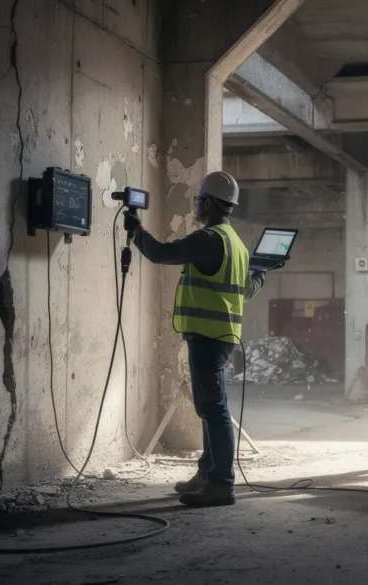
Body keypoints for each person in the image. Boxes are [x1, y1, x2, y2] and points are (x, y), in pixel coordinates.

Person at [125, 171, 269, 507]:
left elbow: (160, 254)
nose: (196, 207)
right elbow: (246, 290)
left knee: (213, 407)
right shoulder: (237, 244)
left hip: (208, 336)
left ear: (208, 202)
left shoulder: (209, 240)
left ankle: (221, 483)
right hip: (221, 336)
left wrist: (136, 231)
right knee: (208, 406)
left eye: (197, 200)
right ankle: (207, 473)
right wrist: (261, 275)